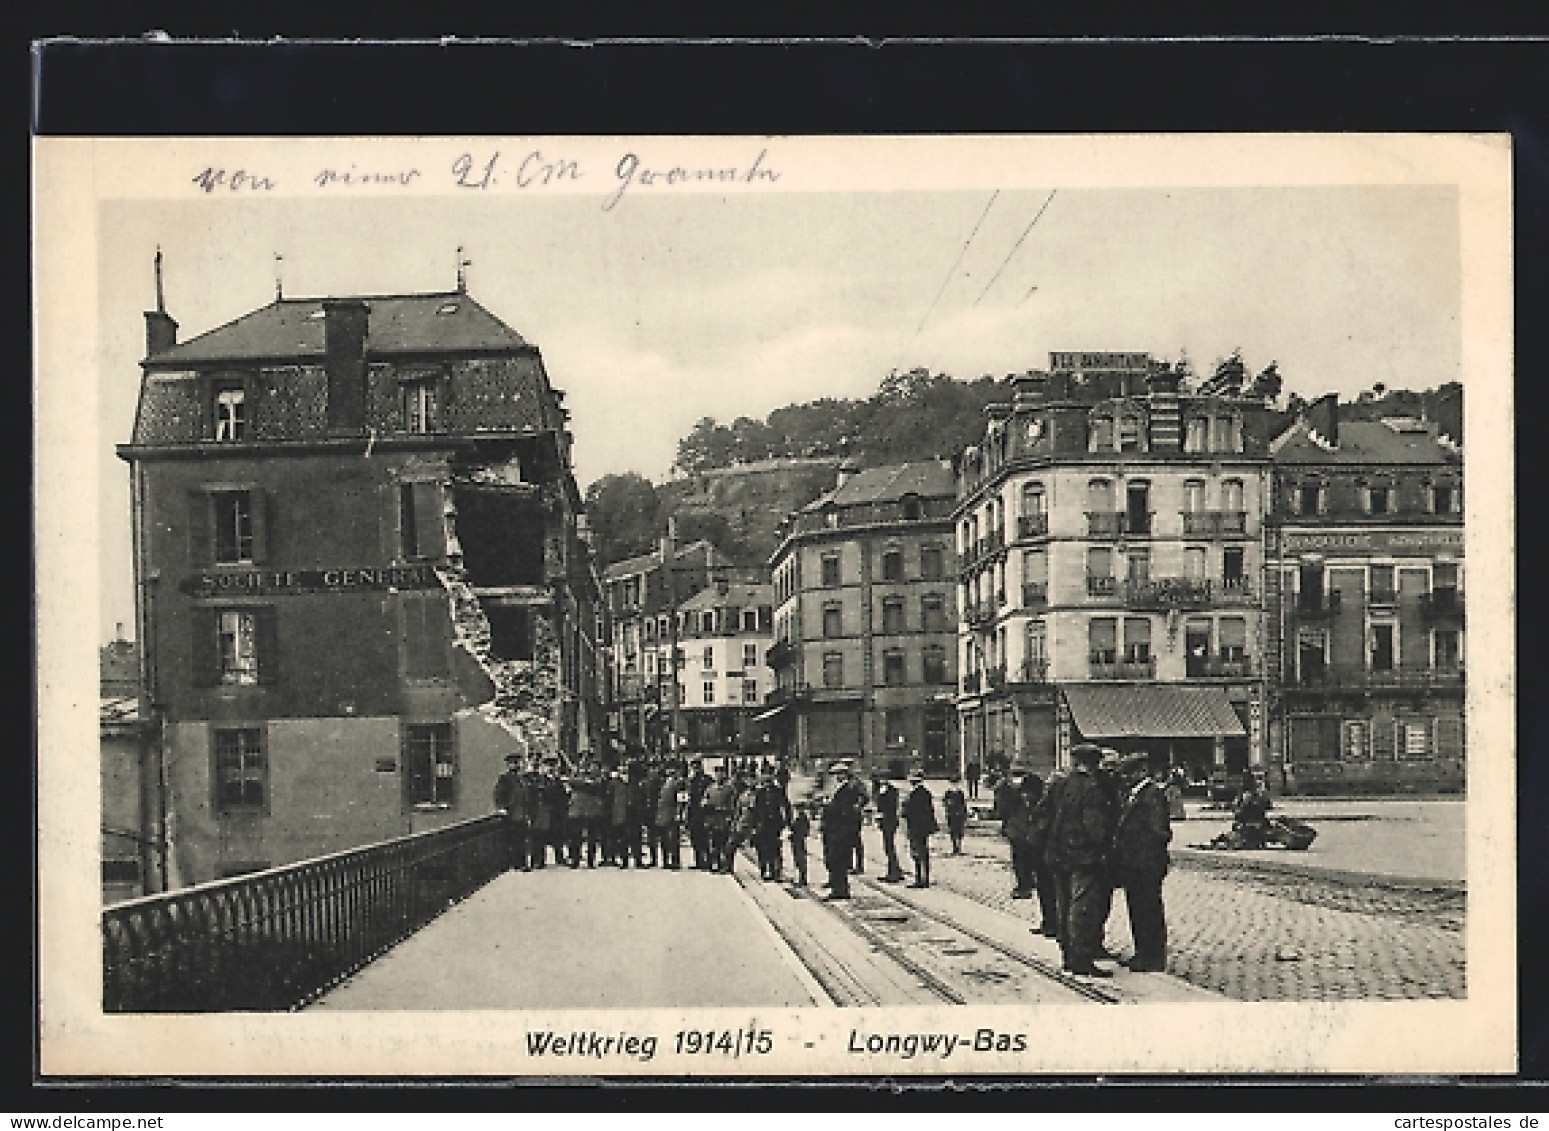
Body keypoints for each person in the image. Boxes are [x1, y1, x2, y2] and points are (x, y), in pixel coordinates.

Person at [1046, 744, 1117, 977]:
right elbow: (1095, 827)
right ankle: (1082, 959)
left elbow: (1044, 815)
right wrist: (1104, 849)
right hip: (1083, 857)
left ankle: (1068, 955)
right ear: (1094, 764)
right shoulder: (1091, 789)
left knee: (1063, 905)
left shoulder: (1060, 785)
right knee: (1083, 908)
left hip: (1059, 855)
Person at [1110, 752, 1172, 972]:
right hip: (1135, 864)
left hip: (1145, 865)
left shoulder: (1152, 795)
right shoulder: (1135, 794)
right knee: (1138, 910)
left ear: (1141, 772)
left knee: (1148, 911)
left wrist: (1143, 854)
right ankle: (1143, 953)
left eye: (1128, 774)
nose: (1125, 778)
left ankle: (1152, 957)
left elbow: (1160, 832)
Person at [821, 761, 866, 900]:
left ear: (843, 775)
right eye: (834, 774)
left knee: (838, 860)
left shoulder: (848, 790)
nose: (835, 777)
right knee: (834, 859)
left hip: (840, 831)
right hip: (834, 830)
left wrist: (828, 806)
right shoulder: (839, 788)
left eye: (838, 774)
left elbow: (844, 811)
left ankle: (840, 890)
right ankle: (837, 886)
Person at [1021, 773, 1058, 935]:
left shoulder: (1049, 804)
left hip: (1047, 854)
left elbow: (1042, 827)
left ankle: (1053, 924)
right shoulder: (1040, 803)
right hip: (1039, 854)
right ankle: (1048, 922)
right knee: (1044, 890)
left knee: (1050, 890)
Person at [493, 753, 533, 871]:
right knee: (515, 840)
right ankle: (516, 863)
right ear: (508, 765)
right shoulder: (505, 778)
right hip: (512, 813)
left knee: (522, 839)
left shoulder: (522, 779)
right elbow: (499, 794)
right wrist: (502, 807)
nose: (516, 765)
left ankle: (522, 863)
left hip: (522, 814)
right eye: (513, 763)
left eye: (517, 762)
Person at [902, 769, 939, 888]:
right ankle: (921, 877)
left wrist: (906, 810)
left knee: (919, 853)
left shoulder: (920, 793)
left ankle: (921, 879)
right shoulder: (919, 792)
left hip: (918, 827)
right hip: (918, 827)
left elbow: (921, 812)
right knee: (919, 852)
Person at [753, 770, 792, 881]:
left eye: (769, 780)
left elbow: (786, 807)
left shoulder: (778, 792)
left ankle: (776, 871)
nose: (767, 782)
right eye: (765, 780)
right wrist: (755, 825)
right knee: (762, 849)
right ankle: (764, 870)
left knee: (775, 849)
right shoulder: (760, 793)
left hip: (775, 824)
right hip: (762, 824)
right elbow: (755, 810)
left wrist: (787, 824)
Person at [1000, 773, 1034, 896]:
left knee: (1019, 859)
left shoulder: (1007, 788)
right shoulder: (1033, 785)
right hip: (1028, 829)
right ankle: (1028, 883)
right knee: (1027, 858)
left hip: (1017, 828)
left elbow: (1002, 809)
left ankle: (1024, 886)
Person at [567, 760, 605, 868]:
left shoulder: (597, 775)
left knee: (592, 837)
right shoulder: (577, 774)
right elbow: (572, 781)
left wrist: (585, 783)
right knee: (575, 837)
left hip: (591, 810)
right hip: (577, 810)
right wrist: (586, 782)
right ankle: (575, 859)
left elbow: (597, 786)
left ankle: (590, 860)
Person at [533, 757, 569, 868]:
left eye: (553, 766)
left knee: (558, 835)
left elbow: (564, 797)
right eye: (548, 766)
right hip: (544, 812)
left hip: (556, 812)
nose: (551, 769)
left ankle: (560, 858)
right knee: (540, 837)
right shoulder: (539, 780)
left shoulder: (559, 781)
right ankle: (539, 861)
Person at [702, 763, 738, 873]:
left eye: (721, 773)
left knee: (726, 845)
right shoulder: (710, 789)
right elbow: (704, 802)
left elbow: (733, 805)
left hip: (724, 819)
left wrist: (730, 816)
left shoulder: (729, 789)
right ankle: (715, 864)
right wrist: (706, 807)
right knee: (714, 844)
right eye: (717, 773)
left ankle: (727, 866)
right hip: (712, 819)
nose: (718, 776)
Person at [871, 774, 906, 883]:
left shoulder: (891, 791)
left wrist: (882, 813)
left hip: (890, 821)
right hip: (885, 821)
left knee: (889, 847)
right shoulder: (880, 790)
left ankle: (894, 873)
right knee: (888, 847)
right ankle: (894, 870)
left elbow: (891, 806)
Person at [654, 760, 686, 869]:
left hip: (672, 814)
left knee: (673, 839)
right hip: (662, 814)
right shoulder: (661, 782)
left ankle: (675, 861)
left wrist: (679, 813)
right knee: (664, 839)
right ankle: (666, 860)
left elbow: (681, 800)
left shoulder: (679, 783)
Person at [686, 758, 713, 870]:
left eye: (696, 767)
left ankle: (708, 861)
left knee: (704, 838)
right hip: (693, 813)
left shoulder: (707, 780)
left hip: (703, 813)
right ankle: (698, 861)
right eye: (693, 767)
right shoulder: (691, 781)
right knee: (695, 838)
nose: (695, 769)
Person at [848, 770, 869, 875]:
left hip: (854, 816)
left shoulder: (857, 783)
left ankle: (859, 865)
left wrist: (858, 806)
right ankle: (849, 863)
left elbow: (864, 797)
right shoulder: (844, 783)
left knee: (856, 840)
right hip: (845, 816)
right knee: (847, 841)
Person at [942, 776, 969, 854]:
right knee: (953, 830)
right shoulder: (948, 793)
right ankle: (955, 846)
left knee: (959, 830)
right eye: (953, 783)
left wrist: (964, 813)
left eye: (956, 783)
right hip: (951, 814)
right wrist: (948, 804)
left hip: (959, 814)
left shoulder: (960, 793)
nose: (955, 785)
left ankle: (959, 846)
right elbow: (944, 802)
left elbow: (963, 804)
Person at [788, 803, 812, 886]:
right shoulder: (800, 817)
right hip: (797, 840)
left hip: (799, 840)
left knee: (800, 859)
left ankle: (802, 878)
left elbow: (804, 830)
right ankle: (801, 877)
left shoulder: (802, 818)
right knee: (798, 859)